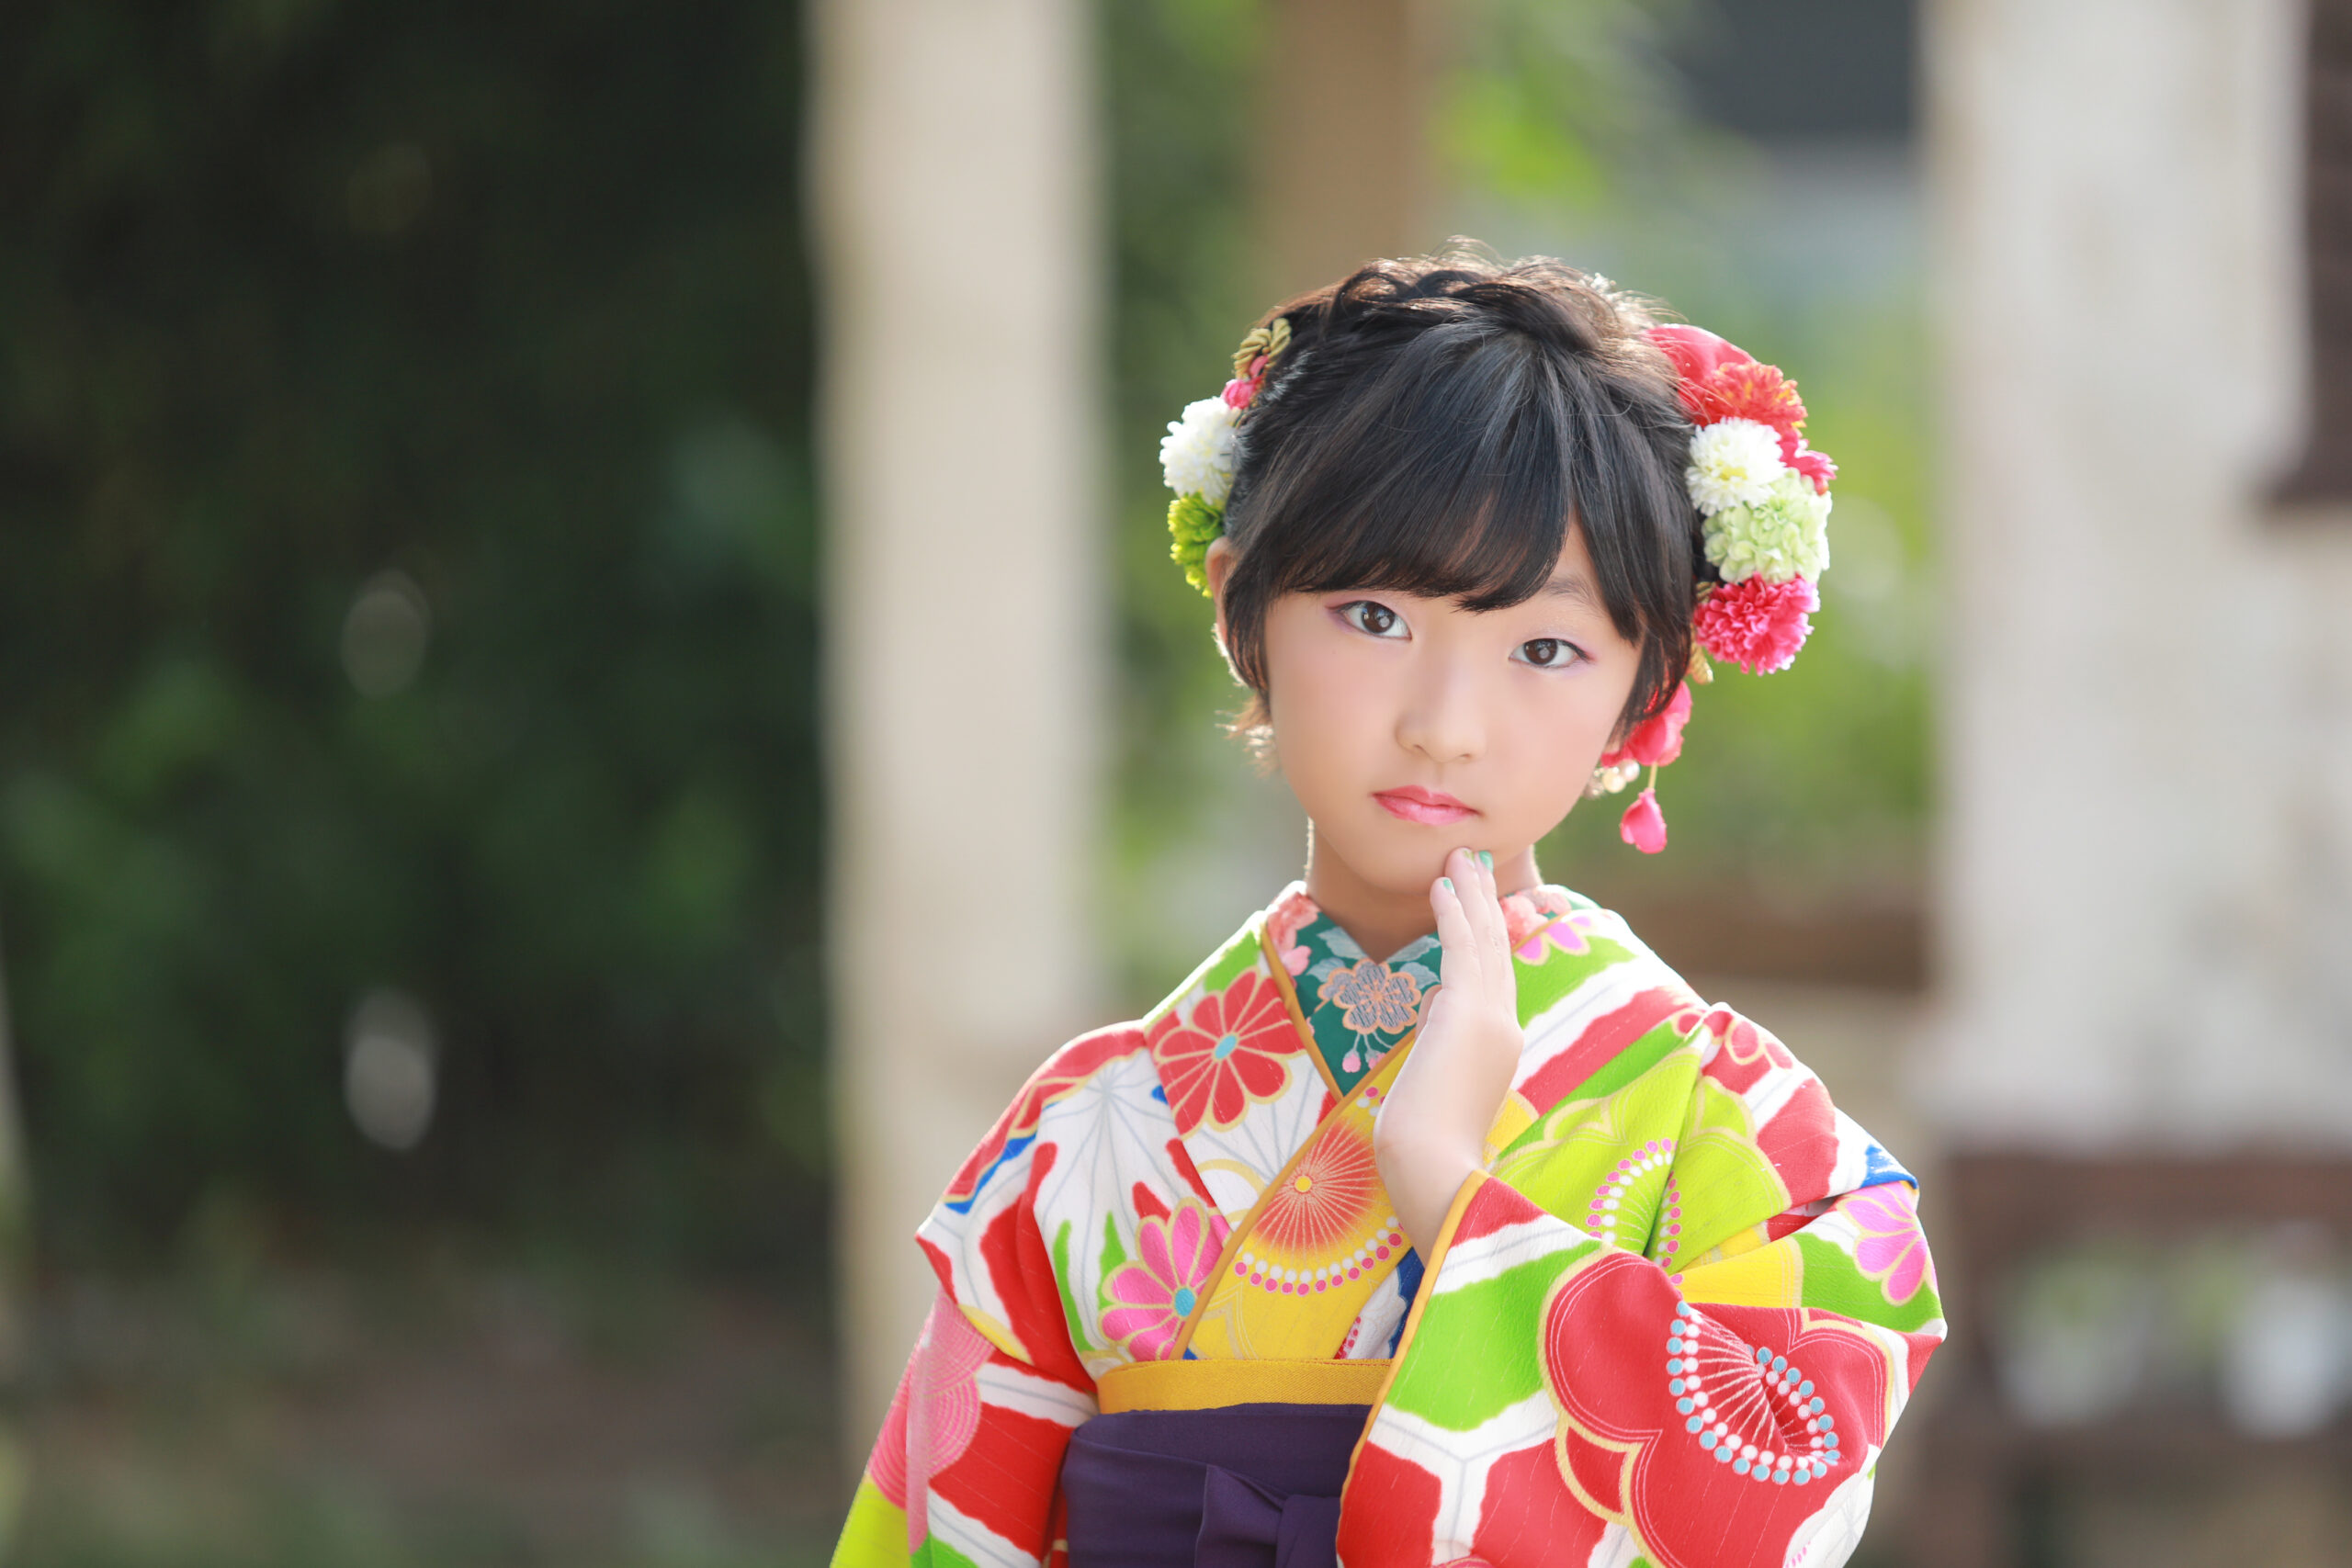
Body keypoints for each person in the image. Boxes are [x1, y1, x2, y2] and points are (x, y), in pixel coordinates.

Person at [829, 248, 1940, 1568]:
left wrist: (1452, 1193)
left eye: (1545, 648)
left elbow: (1775, 1496)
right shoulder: (1084, 1136)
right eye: (1372, 616)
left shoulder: (1746, 1135)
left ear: (1643, 695)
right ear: (1243, 610)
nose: (1445, 726)